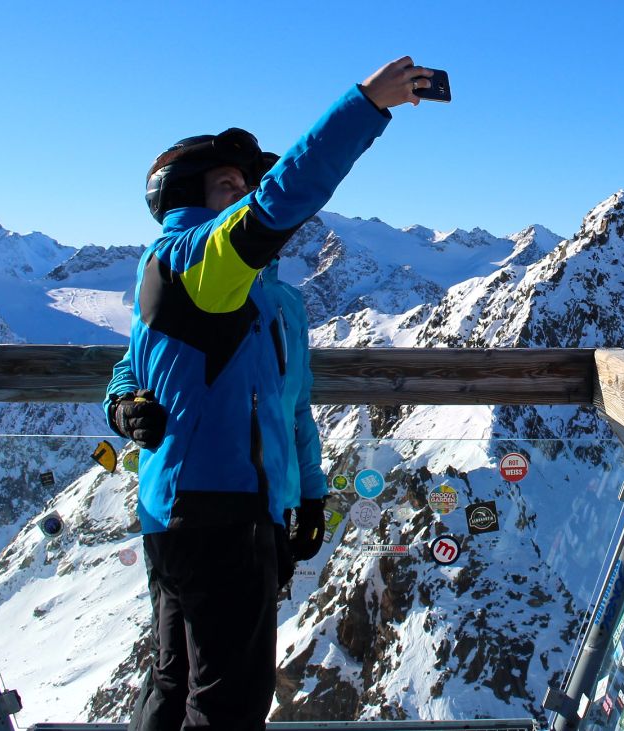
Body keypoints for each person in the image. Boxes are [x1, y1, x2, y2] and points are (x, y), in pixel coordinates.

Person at [105, 57, 433, 730]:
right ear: (185, 195)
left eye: (245, 184)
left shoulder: (268, 299)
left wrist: (308, 495)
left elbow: (288, 406)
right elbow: (288, 195)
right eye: (230, 183)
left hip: (221, 511)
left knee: (176, 683)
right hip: (211, 515)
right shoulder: (197, 261)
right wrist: (367, 104)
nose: (245, 193)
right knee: (227, 705)